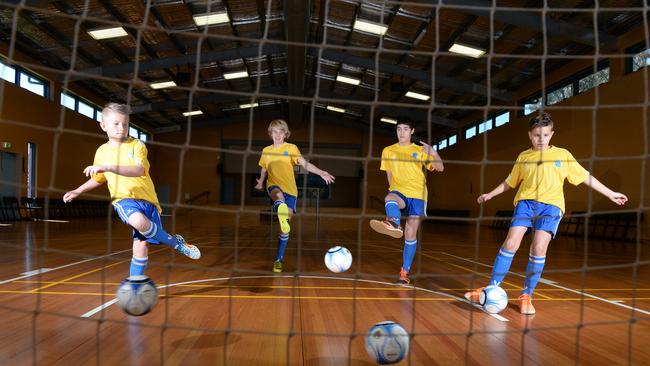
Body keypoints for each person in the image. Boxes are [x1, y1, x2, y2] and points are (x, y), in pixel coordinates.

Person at [464, 112, 628, 314]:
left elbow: (585, 176)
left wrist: (610, 193)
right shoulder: (524, 157)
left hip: (551, 206)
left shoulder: (562, 155)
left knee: (539, 248)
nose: (541, 139)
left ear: (552, 134)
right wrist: (491, 193)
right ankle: (491, 287)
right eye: (536, 135)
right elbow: (511, 181)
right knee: (510, 243)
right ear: (529, 135)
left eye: (545, 135)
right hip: (526, 203)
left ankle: (526, 295)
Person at [63, 103, 200, 278]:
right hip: (124, 199)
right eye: (116, 124)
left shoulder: (137, 145)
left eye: (125, 124)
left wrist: (109, 167)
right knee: (138, 222)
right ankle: (175, 244)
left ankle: (136, 282)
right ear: (103, 125)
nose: (121, 128)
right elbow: (98, 178)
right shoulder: (101, 152)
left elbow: (139, 170)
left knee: (141, 247)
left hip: (149, 201)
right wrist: (77, 190)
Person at [369, 118, 444, 284]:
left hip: (418, 195)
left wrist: (433, 153)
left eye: (405, 129)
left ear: (412, 131)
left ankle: (404, 272)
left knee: (410, 234)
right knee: (389, 198)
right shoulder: (388, 151)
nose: (401, 132)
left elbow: (440, 168)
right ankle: (394, 222)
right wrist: (393, 190)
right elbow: (388, 174)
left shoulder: (420, 150)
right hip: (399, 191)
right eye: (398, 129)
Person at [255, 119, 335, 273]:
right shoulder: (266, 151)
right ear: (270, 133)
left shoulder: (291, 148)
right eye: (275, 132)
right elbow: (264, 168)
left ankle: (278, 260)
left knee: (285, 231)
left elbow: (304, 164)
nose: (278, 135)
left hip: (291, 190)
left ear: (285, 134)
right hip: (273, 186)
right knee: (278, 196)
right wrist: (261, 182)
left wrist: (321, 172)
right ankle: (281, 207)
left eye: (281, 132)